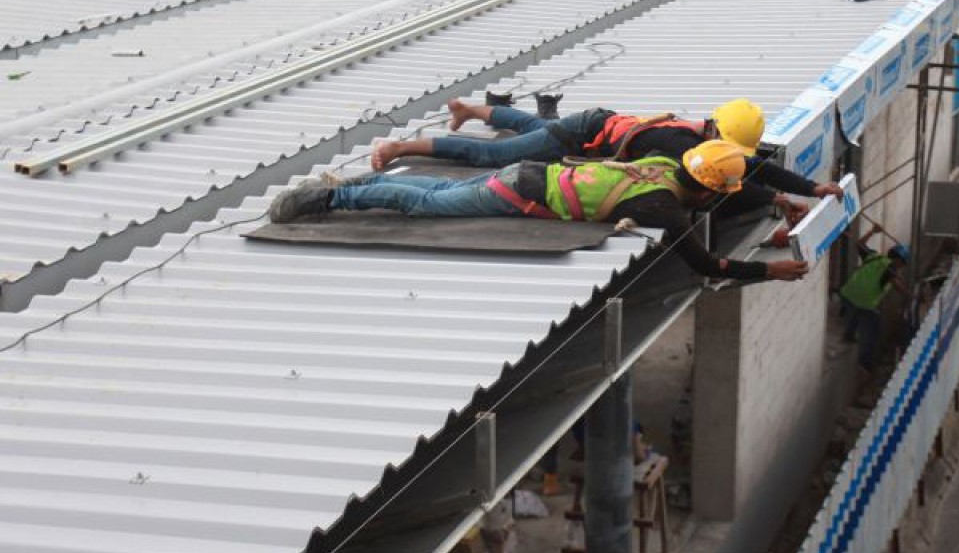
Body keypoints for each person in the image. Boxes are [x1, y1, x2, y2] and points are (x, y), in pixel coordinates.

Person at [268, 139, 811, 282]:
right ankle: (331, 196)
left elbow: (723, 190)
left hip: (535, 172)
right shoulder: (666, 211)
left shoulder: (665, 166)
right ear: (713, 190)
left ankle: (350, 189)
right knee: (425, 205)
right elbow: (708, 266)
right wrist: (771, 269)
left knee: (433, 190)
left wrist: (775, 197)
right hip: (521, 192)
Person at [371, 97, 845, 223]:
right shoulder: (684, 151)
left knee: (531, 133)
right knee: (488, 154)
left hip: (595, 127)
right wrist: (780, 197)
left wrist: (809, 186)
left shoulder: (704, 139)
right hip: (584, 133)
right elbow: (738, 180)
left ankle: (469, 108)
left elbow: (755, 167)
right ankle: (398, 148)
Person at [838, 223, 910, 403]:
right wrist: (911, 295)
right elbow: (895, 283)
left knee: (855, 311)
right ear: (900, 261)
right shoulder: (891, 269)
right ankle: (865, 364)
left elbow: (859, 243)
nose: (901, 267)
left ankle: (848, 334)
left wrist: (872, 231)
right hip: (863, 302)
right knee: (873, 329)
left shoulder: (874, 257)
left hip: (847, 294)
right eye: (903, 264)